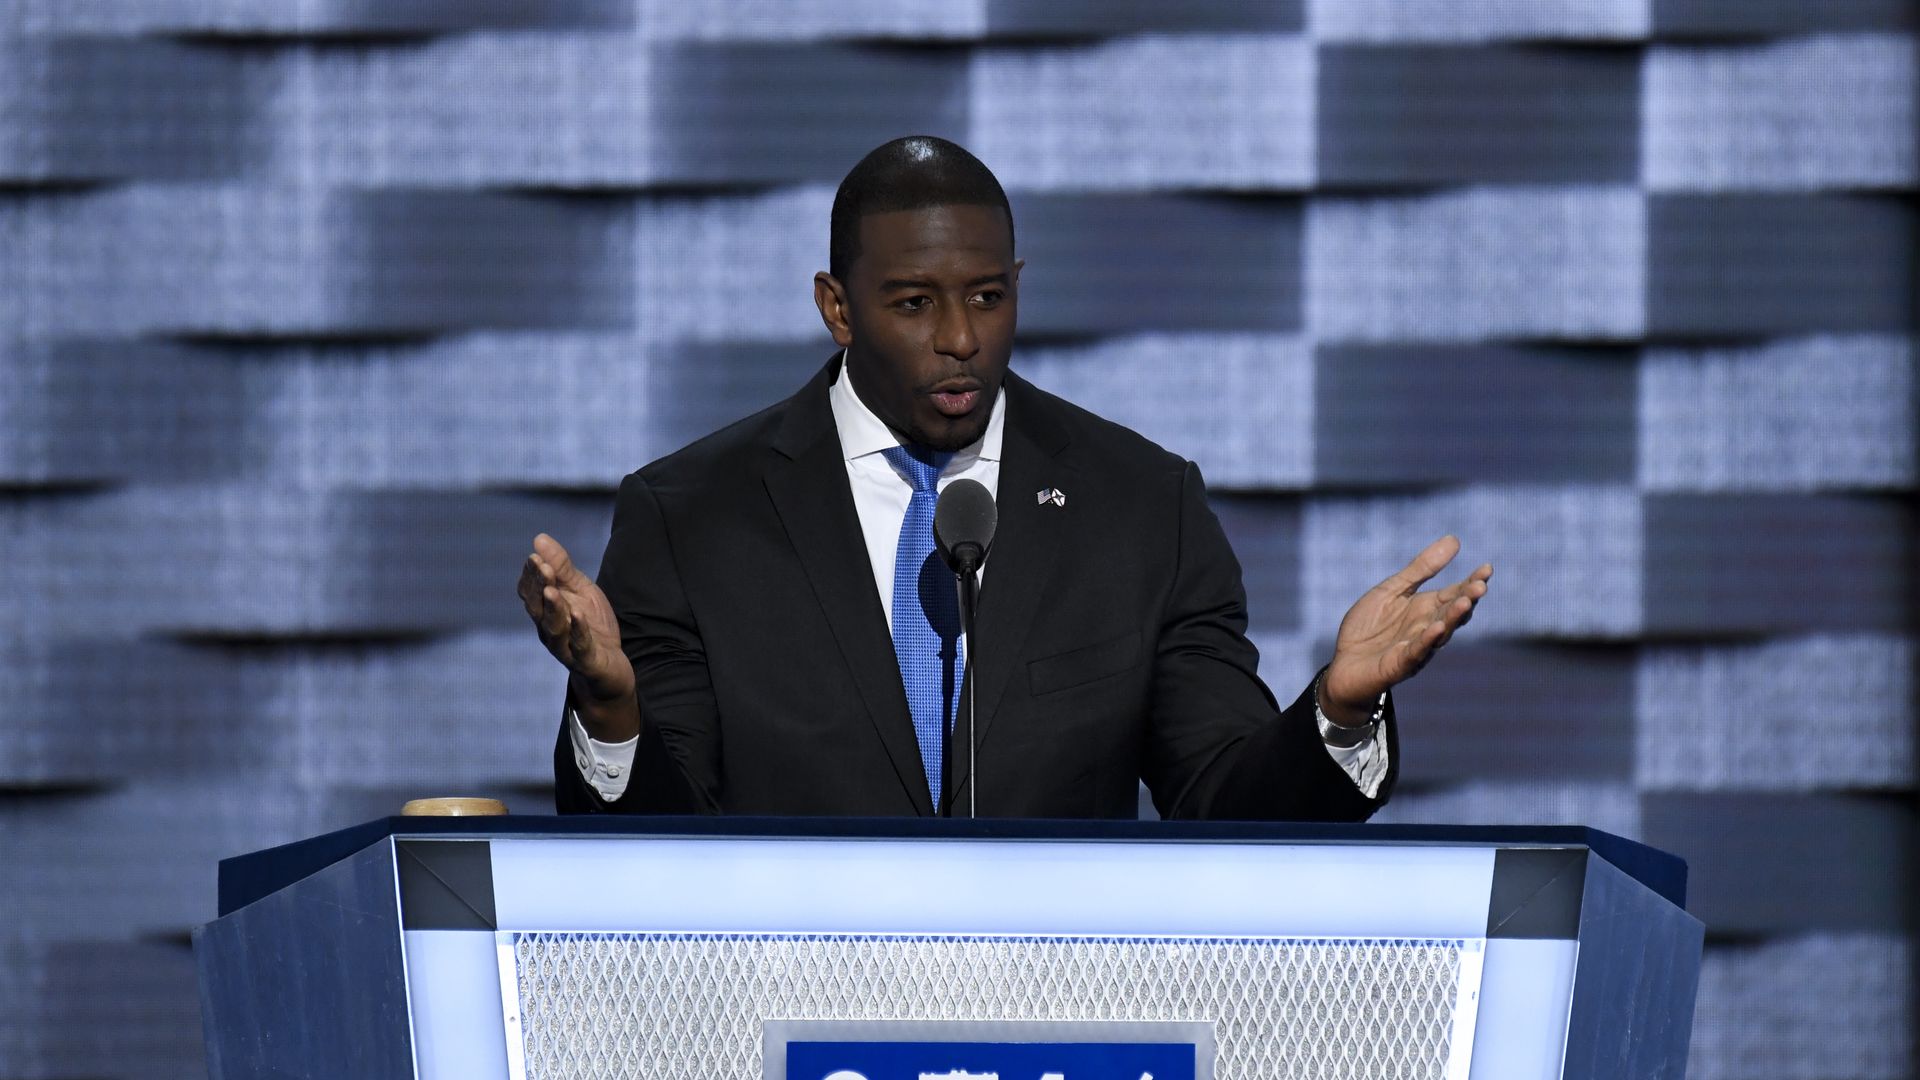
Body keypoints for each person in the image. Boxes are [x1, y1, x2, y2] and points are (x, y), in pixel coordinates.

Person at [517, 136, 1490, 819]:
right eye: (913, 303)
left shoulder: (1142, 508)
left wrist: (1338, 711)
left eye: (989, 296)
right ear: (838, 309)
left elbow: (1227, 807)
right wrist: (612, 709)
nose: (961, 339)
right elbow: (652, 844)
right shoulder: (693, 517)